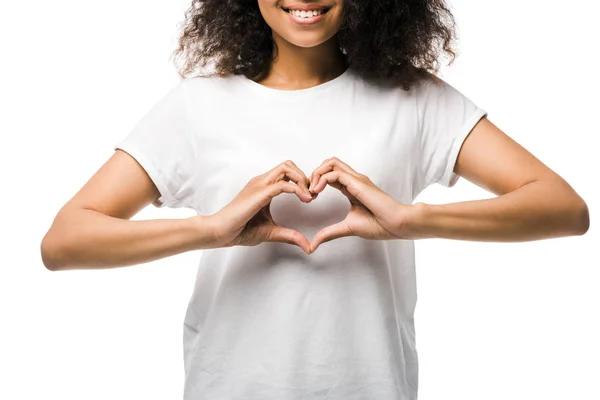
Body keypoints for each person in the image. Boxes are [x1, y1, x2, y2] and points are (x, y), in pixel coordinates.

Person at [40, 1, 590, 399]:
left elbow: (563, 207)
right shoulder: (198, 105)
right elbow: (64, 240)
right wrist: (211, 229)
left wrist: (410, 218)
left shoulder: (414, 98)